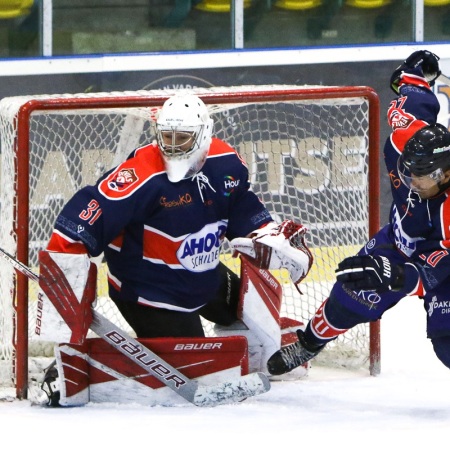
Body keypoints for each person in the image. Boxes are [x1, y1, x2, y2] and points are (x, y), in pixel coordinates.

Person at [40, 92, 313, 402]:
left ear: (203, 135)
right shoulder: (141, 176)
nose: (171, 146)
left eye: (181, 138)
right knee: (199, 370)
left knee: (257, 312)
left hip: (203, 275)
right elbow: (83, 221)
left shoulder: (226, 162)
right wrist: (64, 269)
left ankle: (285, 346)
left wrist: (269, 235)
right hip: (150, 292)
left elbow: (243, 210)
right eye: (165, 136)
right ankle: (73, 370)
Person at [267, 49, 450, 375]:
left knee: (446, 342)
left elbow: (441, 270)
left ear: (445, 175)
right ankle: (308, 344)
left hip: (439, 263)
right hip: (397, 240)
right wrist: (415, 73)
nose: (412, 180)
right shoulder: (402, 140)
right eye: (410, 171)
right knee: (348, 297)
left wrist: (399, 277)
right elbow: (410, 98)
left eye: (421, 176)